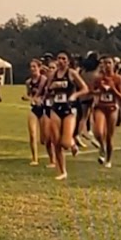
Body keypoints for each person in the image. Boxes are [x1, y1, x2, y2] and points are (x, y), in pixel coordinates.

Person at [47, 52, 90, 180]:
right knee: (56, 141)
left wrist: (74, 96)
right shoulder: (53, 74)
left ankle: (72, 144)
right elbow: (48, 89)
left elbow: (85, 88)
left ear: (68, 61)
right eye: (59, 58)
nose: (60, 61)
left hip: (69, 108)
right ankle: (62, 171)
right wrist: (51, 88)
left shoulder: (72, 73)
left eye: (63, 59)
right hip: (56, 108)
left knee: (65, 143)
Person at [91, 56, 121, 167]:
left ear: (114, 65)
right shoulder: (98, 78)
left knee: (109, 136)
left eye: (109, 63)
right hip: (100, 107)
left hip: (112, 108)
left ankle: (108, 159)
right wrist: (99, 89)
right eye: (105, 63)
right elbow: (92, 91)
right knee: (98, 132)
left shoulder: (118, 78)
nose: (107, 65)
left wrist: (113, 88)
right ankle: (102, 147)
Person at [22, 59, 49, 166]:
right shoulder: (28, 82)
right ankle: (34, 159)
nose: (32, 69)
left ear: (39, 68)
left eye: (34, 66)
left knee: (44, 139)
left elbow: (45, 93)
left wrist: (40, 99)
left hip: (44, 109)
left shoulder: (44, 79)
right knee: (32, 134)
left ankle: (53, 158)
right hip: (34, 109)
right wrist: (28, 98)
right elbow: (29, 95)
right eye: (31, 67)